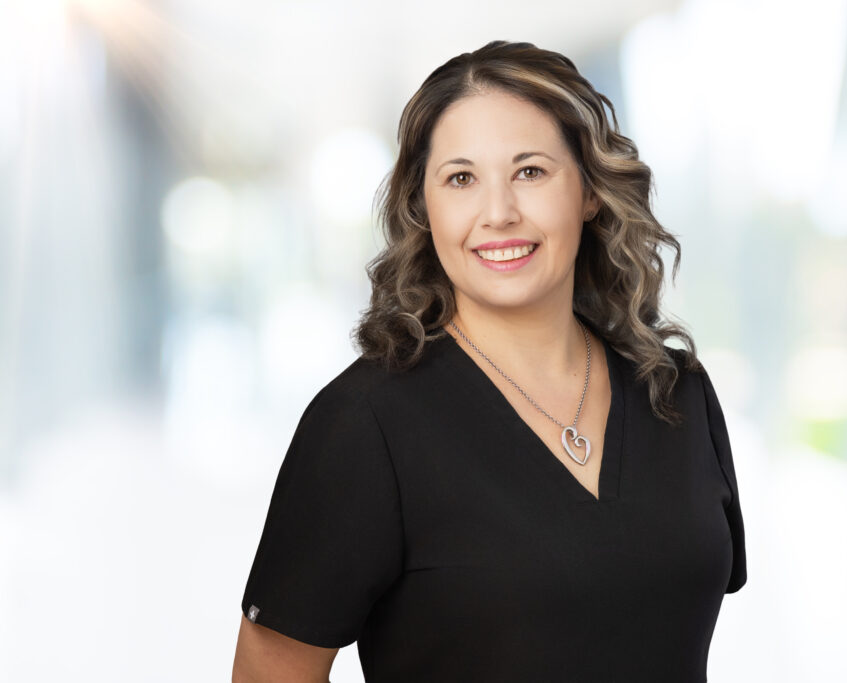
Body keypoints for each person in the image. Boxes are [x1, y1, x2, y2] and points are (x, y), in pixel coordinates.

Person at [232, 40, 746, 683]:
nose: (498, 213)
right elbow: (269, 673)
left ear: (588, 190)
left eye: (530, 171)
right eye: (461, 178)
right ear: (425, 206)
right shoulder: (365, 426)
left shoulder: (675, 395)